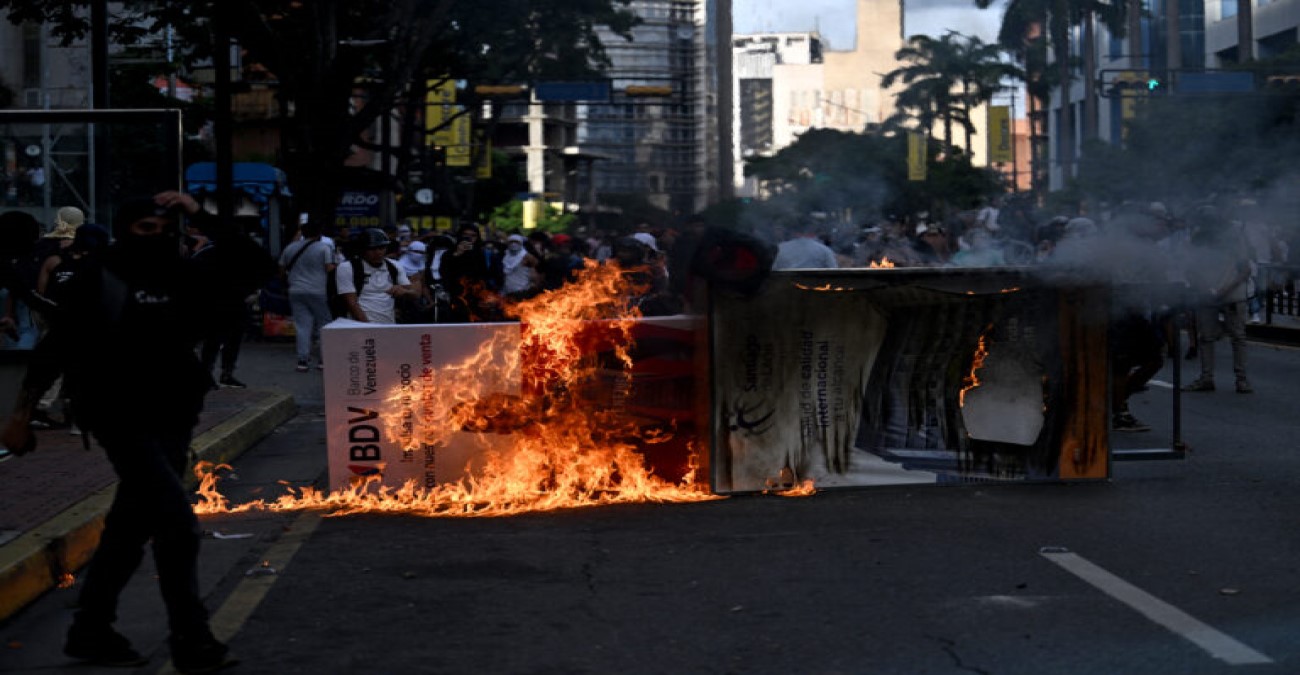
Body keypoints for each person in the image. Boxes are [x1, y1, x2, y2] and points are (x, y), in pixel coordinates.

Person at [3, 192, 235, 671]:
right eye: (145, 229)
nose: (156, 237)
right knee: (176, 523)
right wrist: (22, 414)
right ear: (127, 230)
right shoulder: (100, 275)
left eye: (164, 228)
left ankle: (91, 628)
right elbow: (57, 343)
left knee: (130, 528)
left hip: (174, 416)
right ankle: (191, 639)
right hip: (118, 415)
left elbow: (250, 261)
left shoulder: (183, 273)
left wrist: (199, 213)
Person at [190, 214, 276, 388]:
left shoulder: (207, 253)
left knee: (219, 340)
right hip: (225, 302)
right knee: (223, 339)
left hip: (223, 302)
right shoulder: (236, 254)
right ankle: (222, 373)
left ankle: (216, 373)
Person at [1183, 207, 1253, 393]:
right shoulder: (1199, 240)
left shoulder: (1233, 239)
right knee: (1216, 337)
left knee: (1231, 337)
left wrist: (1219, 289)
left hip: (1227, 294)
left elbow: (1244, 269)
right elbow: (1190, 269)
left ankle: (1235, 378)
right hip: (1217, 294)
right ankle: (1229, 379)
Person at [279, 220, 336, 371]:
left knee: (302, 326)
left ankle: (302, 361)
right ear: (319, 233)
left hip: (295, 291)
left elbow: (281, 270)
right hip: (318, 290)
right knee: (324, 324)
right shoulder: (325, 247)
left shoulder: (290, 248)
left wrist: (287, 284)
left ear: (303, 232)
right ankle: (324, 360)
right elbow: (330, 269)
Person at [335, 227, 413, 324]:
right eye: (372, 249)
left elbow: (413, 293)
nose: (378, 252)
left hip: (388, 325)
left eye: (381, 248)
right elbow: (352, 303)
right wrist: (369, 328)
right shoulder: (347, 268)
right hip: (359, 326)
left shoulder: (395, 266)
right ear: (363, 249)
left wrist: (404, 292)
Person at [772, 221, 837, 270]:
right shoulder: (824, 249)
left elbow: (773, 269)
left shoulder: (779, 249)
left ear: (792, 232)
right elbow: (833, 270)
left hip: (785, 285)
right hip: (816, 286)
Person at [500, 233, 540, 299]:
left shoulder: (527, 257)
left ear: (521, 243)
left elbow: (535, 272)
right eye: (511, 242)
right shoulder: (505, 256)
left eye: (516, 242)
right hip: (507, 291)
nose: (513, 244)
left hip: (522, 291)